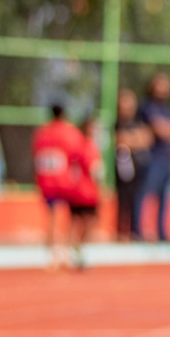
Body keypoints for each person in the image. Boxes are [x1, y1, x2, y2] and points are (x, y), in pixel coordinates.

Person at [32, 103, 83, 270]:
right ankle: (67, 250)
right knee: (69, 216)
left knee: (52, 216)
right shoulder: (70, 132)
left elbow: (37, 154)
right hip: (66, 180)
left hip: (46, 180)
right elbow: (78, 153)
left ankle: (51, 253)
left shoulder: (42, 133)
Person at [136, 73, 170, 242]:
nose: (163, 89)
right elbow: (160, 130)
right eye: (160, 85)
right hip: (152, 158)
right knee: (145, 194)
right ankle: (139, 231)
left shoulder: (169, 108)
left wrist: (169, 130)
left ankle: (162, 232)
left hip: (168, 159)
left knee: (166, 196)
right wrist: (169, 130)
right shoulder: (147, 106)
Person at [113, 88, 152, 241]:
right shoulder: (117, 123)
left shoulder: (138, 122)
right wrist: (136, 139)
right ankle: (121, 233)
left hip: (139, 170)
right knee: (123, 202)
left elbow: (148, 138)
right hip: (123, 172)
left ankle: (135, 231)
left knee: (138, 200)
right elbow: (121, 140)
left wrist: (133, 140)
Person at [66, 115, 103, 268]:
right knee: (90, 220)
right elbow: (96, 170)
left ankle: (73, 248)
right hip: (87, 192)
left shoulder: (76, 145)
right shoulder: (89, 146)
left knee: (75, 221)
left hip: (74, 190)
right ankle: (78, 249)